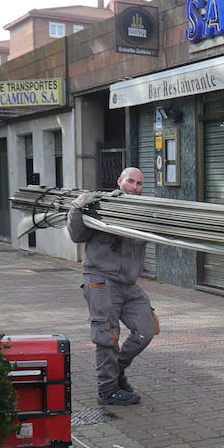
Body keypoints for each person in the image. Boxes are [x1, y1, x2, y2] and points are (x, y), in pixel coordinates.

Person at [67, 166, 157, 406]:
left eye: (139, 184)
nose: (135, 188)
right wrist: (77, 208)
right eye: (130, 182)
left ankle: (116, 372)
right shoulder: (100, 205)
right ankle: (107, 390)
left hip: (128, 283)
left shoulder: (143, 210)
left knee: (146, 329)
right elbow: (77, 236)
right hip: (101, 280)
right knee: (107, 336)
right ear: (120, 181)